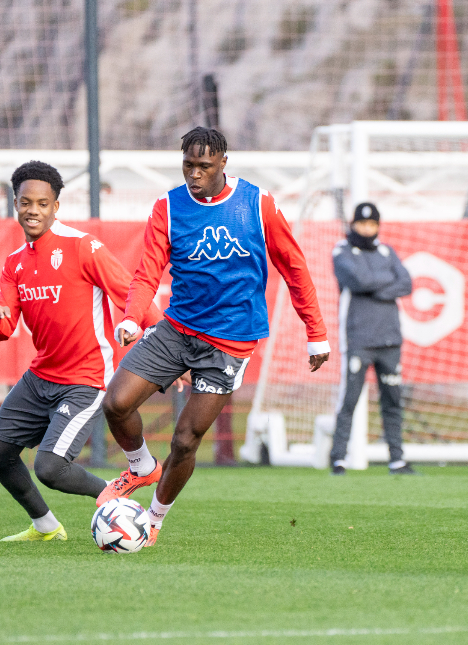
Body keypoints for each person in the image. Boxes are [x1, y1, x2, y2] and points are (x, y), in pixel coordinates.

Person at [98, 127, 330, 545]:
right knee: (115, 402)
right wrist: (132, 317)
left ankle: (152, 520)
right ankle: (139, 467)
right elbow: (148, 271)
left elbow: (294, 267)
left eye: (204, 166)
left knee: (185, 440)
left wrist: (316, 333)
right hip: (177, 329)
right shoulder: (168, 207)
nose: (194, 174)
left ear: (224, 162)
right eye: (188, 165)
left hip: (229, 343)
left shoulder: (257, 205)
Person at [0, 160, 162, 542]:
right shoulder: (14, 264)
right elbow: (6, 328)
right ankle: (46, 527)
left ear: (56, 206)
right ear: (15, 204)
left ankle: (119, 505)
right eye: (26, 202)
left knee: (50, 467)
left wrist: (165, 345)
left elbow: (132, 293)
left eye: (43, 203)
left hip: (85, 379)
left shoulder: (82, 247)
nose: (34, 210)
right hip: (40, 377)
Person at [329, 202, 414, 475]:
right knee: (350, 400)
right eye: (363, 224)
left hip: (389, 340)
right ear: (353, 224)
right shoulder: (341, 251)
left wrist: (375, 283)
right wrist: (385, 282)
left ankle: (397, 460)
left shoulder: (387, 251)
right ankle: (338, 459)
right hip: (359, 339)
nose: (367, 229)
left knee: (392, 401)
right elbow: (358, 281)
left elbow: (407, 283)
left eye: (372, 224)